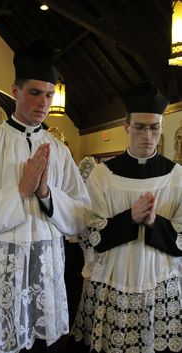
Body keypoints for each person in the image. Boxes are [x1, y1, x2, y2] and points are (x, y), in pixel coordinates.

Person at [0, 39, 91, 353]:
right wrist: (20, 192)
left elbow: (81, 213)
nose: (43, 103)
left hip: (45, 279)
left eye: (49, 94)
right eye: (35, 93)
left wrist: (45, 194)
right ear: (15, 89)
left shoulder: (59, 150)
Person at [70, 81, 182, 353]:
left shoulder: (176, 176)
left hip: (158, 280)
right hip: (112, 279)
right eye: (141, 127)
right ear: (126, 127)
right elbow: (88, 233)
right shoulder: (102, 175)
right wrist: (130, 217)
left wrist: (156, 222)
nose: (148, 135)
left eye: (154, 127)